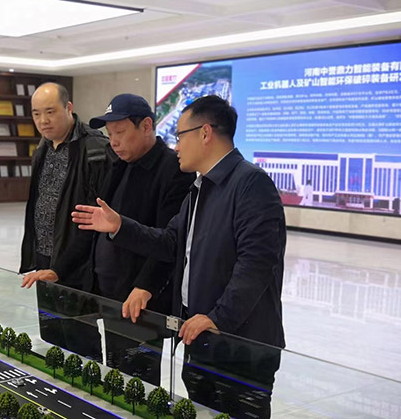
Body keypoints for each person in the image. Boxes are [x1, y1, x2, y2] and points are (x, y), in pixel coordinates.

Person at [72, 95, 286, 418]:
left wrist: (218, 318)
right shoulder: (200, 189)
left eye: (180, 136)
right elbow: (170, 242)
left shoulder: (251, 184)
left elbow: (256, 266)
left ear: (205, 133)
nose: (176, 147)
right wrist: (119, 227)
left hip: (238, 344)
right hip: (199, 334)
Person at [22, 93, 194, 384]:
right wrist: (58, 269)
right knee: (113, 375)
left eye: (121, 133)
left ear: (146, 126)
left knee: (136, 381)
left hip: (140, 301)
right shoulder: (118, 164)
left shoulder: (172, 171)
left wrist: (145, 286)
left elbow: (170, 242)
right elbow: (92, 225)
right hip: (107, 294)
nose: (113, 142)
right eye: (110, 134)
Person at [19, 82, 112, 289]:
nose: (43, 121)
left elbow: (96, 218)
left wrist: (61, 267)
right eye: (36, 114)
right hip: (44, 257)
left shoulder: (95, 149)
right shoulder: (43, 147)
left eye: (50, 112)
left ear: (69, 107)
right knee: (47, 309)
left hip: (79, 265)